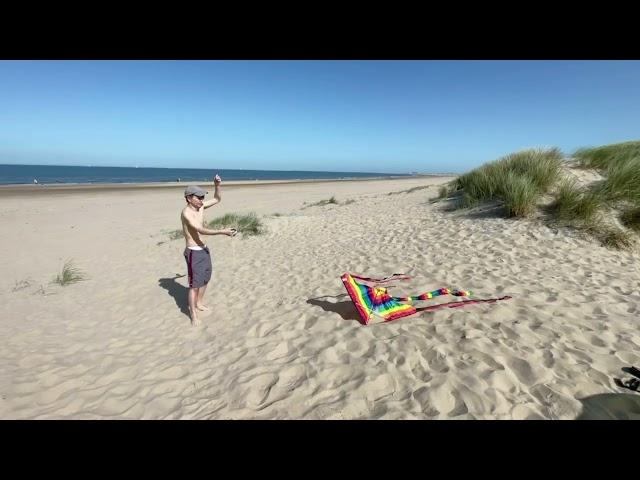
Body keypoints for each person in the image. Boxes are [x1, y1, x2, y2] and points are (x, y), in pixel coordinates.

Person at [180, 174, 236, 326]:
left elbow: (217, 199)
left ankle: (199, 303)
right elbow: (200, 229)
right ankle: (193, 314)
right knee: (194, 285)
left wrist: (217, 185)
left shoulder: (201, 206)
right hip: (193, 252)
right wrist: (222, 231)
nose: (201, 200)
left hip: (204, 249)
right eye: (198, 197)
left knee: (205, 278)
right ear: (189, 198)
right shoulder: (187, 213)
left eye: (202, 197)